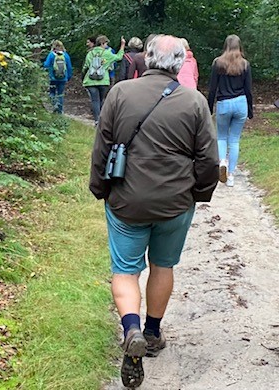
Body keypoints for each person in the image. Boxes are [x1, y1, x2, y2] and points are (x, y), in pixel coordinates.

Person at [89, 35, 219, 388]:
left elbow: (102, 147)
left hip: (126, 201)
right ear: (180, 62)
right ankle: (152, 332)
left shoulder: (119, 93)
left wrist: (100, 188)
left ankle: (131, 329)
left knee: (125, 270)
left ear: (146, 58)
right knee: (163, 265)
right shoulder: (194, 102)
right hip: (175, 203)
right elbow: (208, 159)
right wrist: (198, 194)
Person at [207, 34, 253, 187]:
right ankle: (231, 175)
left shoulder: (218, 63)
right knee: (234, 140)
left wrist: (209, 108)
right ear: (239, 46)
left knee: (221, 137)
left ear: (225, 46)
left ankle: (222, 162)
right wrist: (250, 109)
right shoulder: (245, 64)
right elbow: (248, 89)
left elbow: (212, 88)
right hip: (240, 103)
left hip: (224, 103)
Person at [82, 35, 125, 124]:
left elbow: (85, 66)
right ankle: (102, 120)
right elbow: (119, 57)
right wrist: (122, 45)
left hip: (90, 81)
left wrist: (83, 75)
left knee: (95, 100)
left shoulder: (90, 53)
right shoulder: (107, 53)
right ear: (102, 43)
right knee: (101, 100)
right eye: (106, 43)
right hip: (103, 81)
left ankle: (97, 120)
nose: (106, 45)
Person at [43, 40, 72, 114]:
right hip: (63, 78)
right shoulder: (65, 55)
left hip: (53, 78)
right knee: (60, 94)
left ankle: (54, 106)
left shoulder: (51, 55)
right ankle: (60, 110)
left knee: (52, 92)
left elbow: (46, 65)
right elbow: (69, 67)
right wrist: (68, 76)